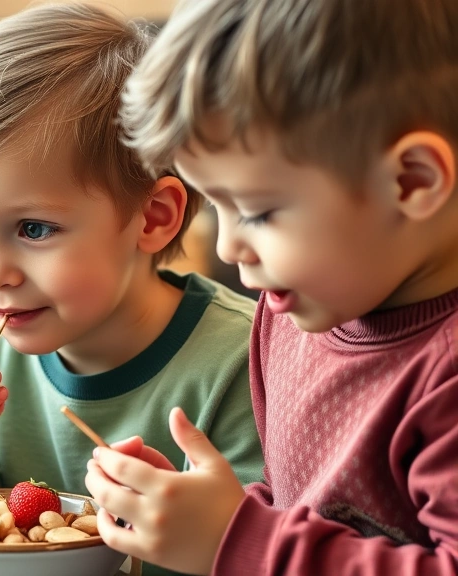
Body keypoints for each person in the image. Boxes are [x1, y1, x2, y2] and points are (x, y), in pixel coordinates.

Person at [85, 0, 458, 574]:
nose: (229, 247)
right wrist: (207, 512)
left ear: (412, 181)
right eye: (216, 203)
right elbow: (303, 509)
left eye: (257, 211)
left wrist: (239, 540)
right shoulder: (288, 315)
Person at [0, 6, 263, 574]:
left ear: (152, 217)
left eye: (34, 229)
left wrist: (195, 527)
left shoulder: (243, 361)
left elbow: (265, 547)